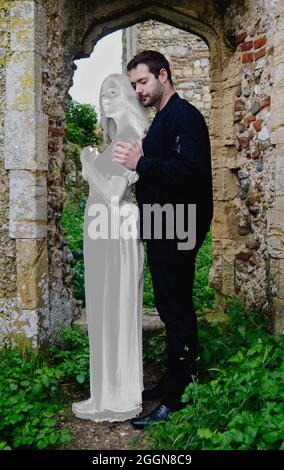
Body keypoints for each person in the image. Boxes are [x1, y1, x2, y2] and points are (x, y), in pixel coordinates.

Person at [113, 51, 213, 429]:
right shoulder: (161, 120)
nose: (138, 90)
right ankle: (175, 380)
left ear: (163, 76)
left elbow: (190, 172)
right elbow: (159, 169)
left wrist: (141, 163)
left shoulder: (183, 116)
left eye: (143, 81)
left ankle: (178, 398)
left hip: (180, 227)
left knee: (178, 309)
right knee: (170, 308)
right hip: (163, 225)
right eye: (134, 84)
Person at [72, 73, 149, 422]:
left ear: (129, 98)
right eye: (102, 91)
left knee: (115, 310)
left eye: (114, 90)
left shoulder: (129, 137)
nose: (105, 96)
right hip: (104, 233)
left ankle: (117, 397)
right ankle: (104, 392)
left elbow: (115, 194)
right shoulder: (115, 139)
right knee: (105, 310)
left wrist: (88, 166)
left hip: (116, 233)